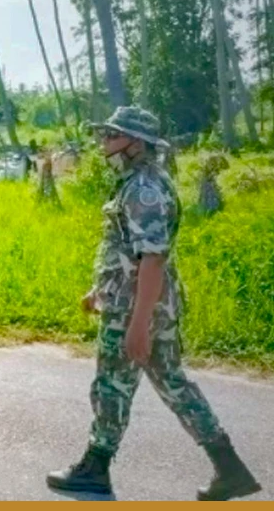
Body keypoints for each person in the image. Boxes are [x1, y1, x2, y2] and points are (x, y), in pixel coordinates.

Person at [46, 106, 261, 501]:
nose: (104, 143)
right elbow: (132, 251)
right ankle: (230, 468)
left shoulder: (144, 189)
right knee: (173, 384)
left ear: (136, 143)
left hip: (137, 309)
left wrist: (138, 323)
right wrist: (101, 289)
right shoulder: (138, 183)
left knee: (112, 385)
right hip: (137, 301)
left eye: (113, 136)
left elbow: (154, 258)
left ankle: (95, 468)